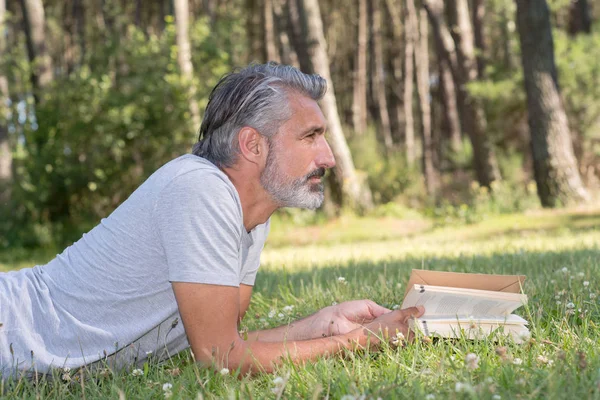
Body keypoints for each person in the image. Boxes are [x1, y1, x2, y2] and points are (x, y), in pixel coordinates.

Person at [0, 63, 424, 378]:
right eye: (311, 136)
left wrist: (323, 323)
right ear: (252, 145)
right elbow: (221, 359)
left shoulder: (253, 211)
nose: (328, 156)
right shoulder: (200, 189)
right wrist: (360, 341)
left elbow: (220, 344)